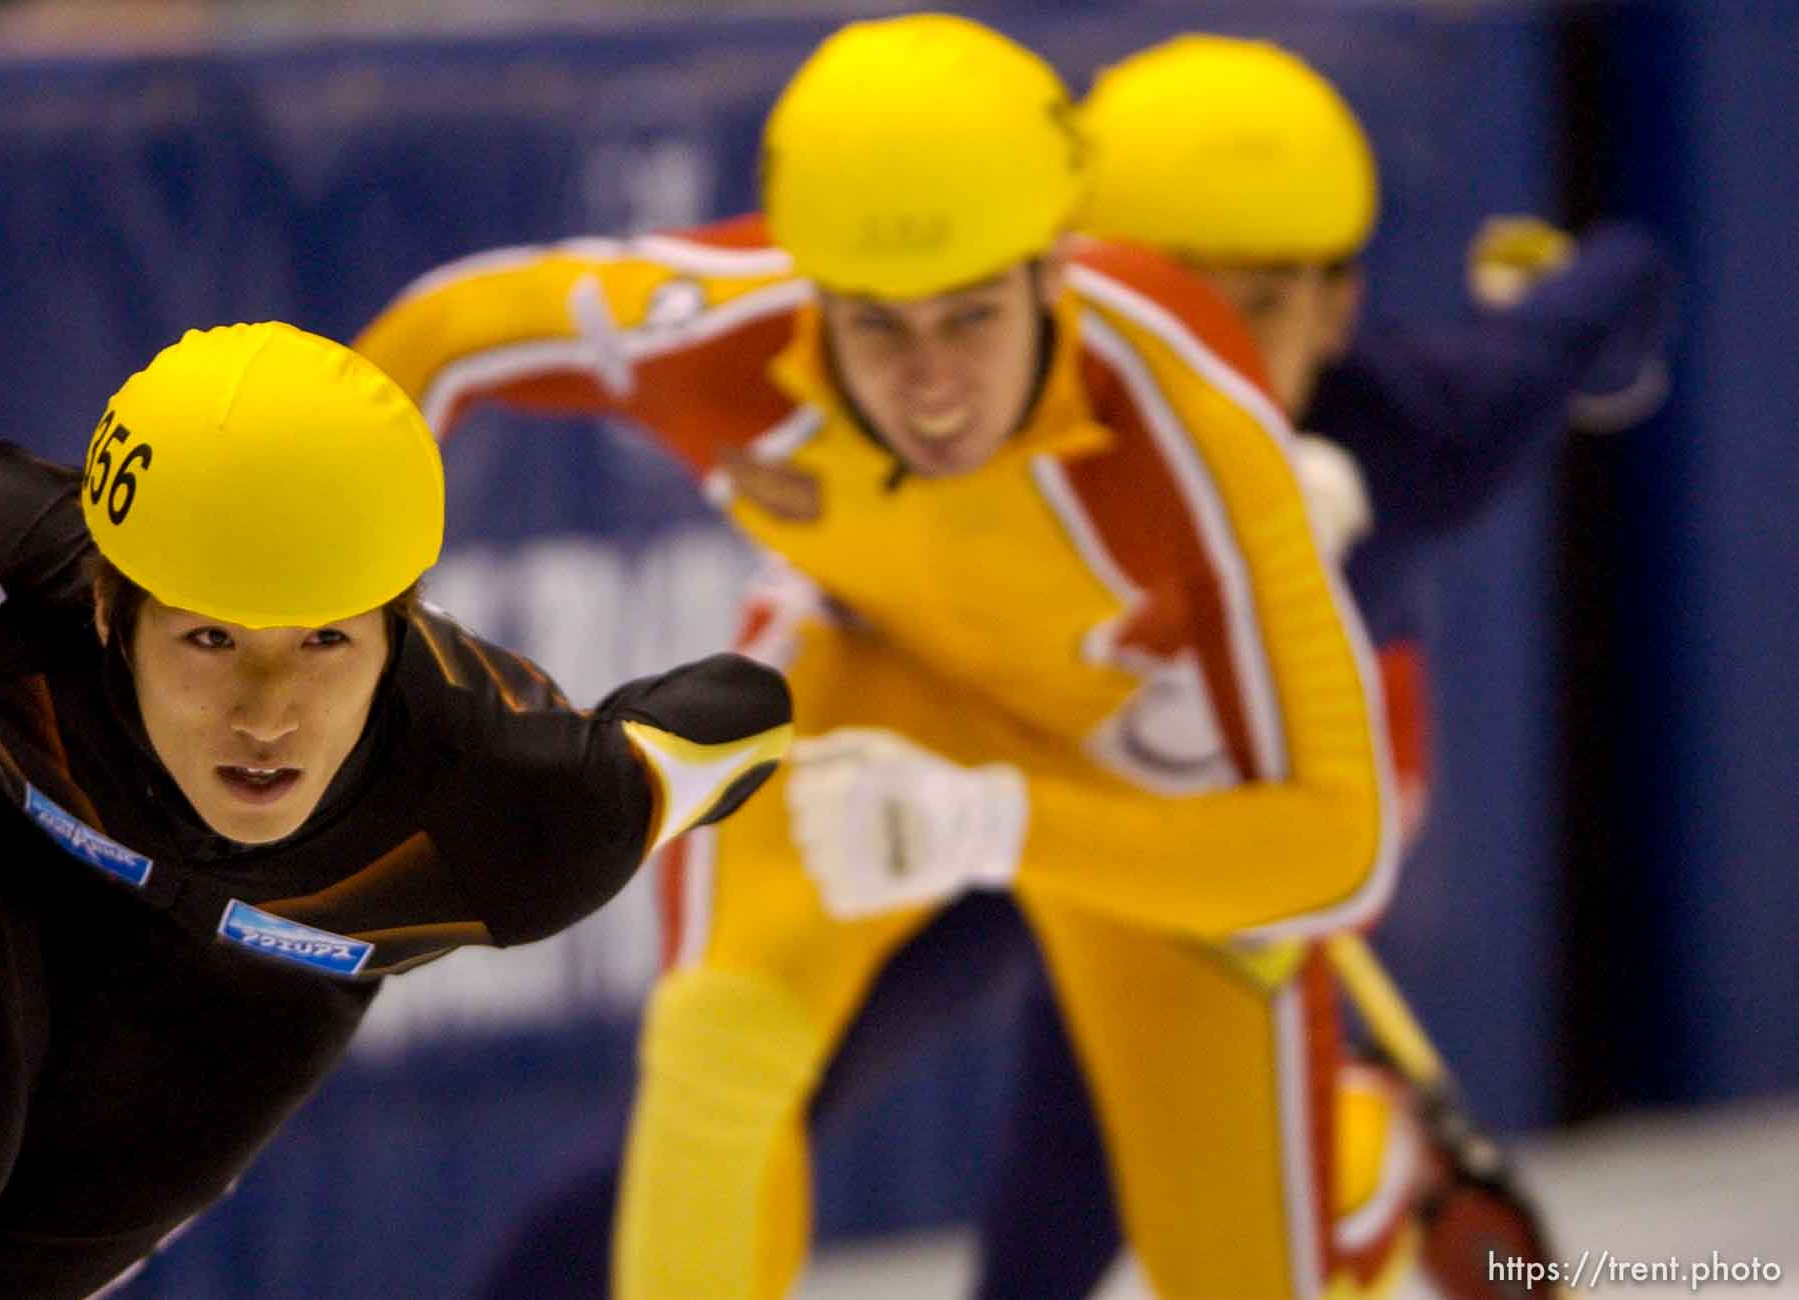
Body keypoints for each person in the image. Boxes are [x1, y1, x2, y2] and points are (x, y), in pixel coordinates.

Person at [448, 29, 1673, 1300]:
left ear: (1336, 303)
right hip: (972, 753)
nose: (1200, 341)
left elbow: (1617, 281)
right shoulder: (1029, 371)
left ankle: (1360, 1168)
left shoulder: (1427, 417)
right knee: (749, 1078)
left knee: (1100, 1148)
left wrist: (1592, 337)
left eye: (1250, 305)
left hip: (1194, 815)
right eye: (1152, 284)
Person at [0, 319, 791, 1299]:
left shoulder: (505, 812)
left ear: (399, 624)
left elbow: (735, 724)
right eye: (209, 639)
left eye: (324, 640)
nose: (265, 714)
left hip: (255, 983)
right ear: (109, 606)